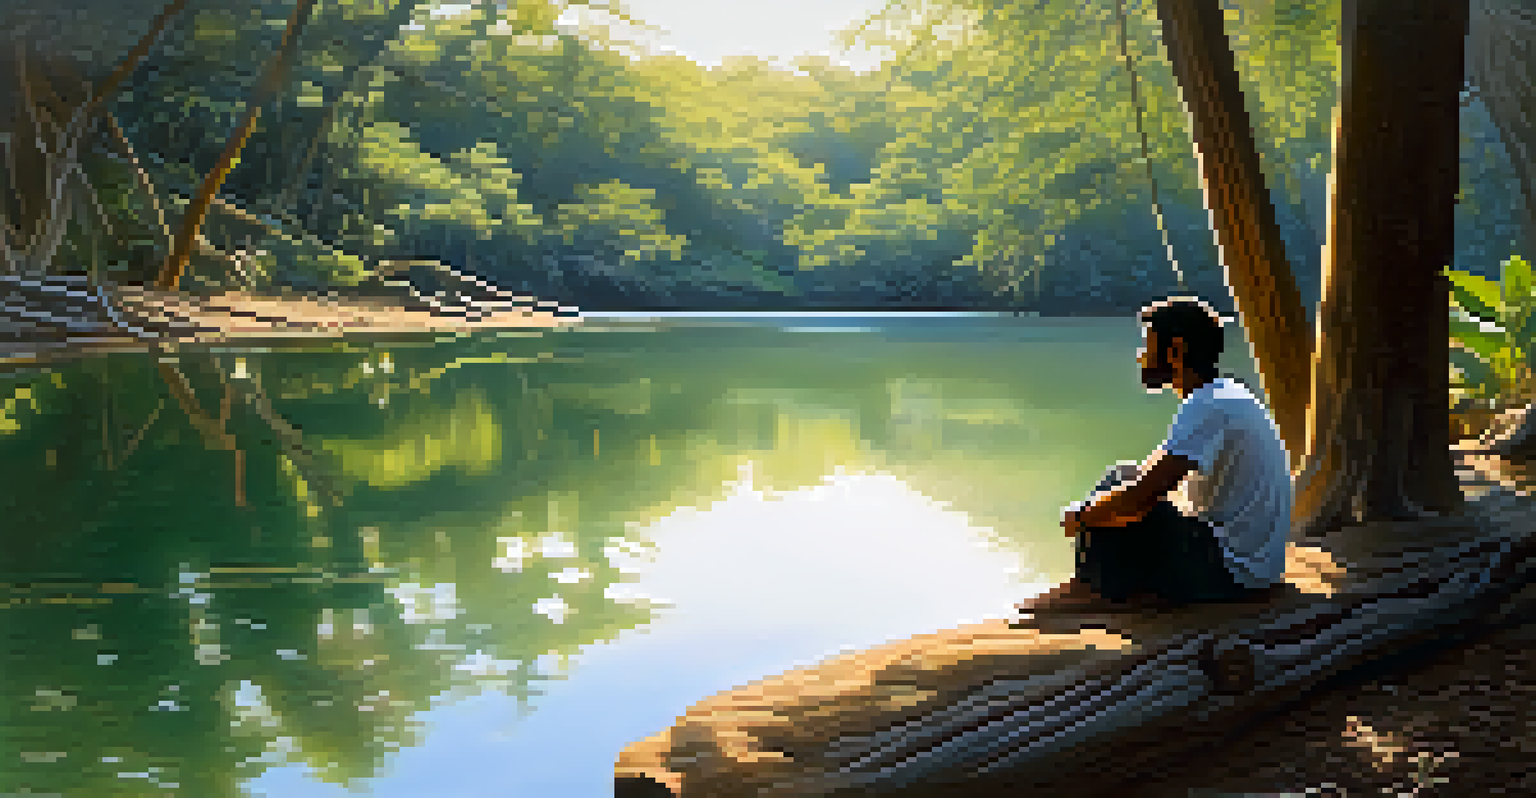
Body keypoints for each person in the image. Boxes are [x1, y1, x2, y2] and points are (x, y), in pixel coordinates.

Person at [1017, 296, 1293, 616]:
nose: (1141, 357)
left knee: (1123, 489)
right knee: (1126, 476)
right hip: (1258, 569)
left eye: (1148, 347)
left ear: (1176, 351)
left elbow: (1138, 499)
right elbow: (1154, 470)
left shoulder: (1206, 405)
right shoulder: (1225, 394)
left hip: (1230, 577)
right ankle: (1100, 585)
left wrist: (1081, 516)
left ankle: (1090, 590)